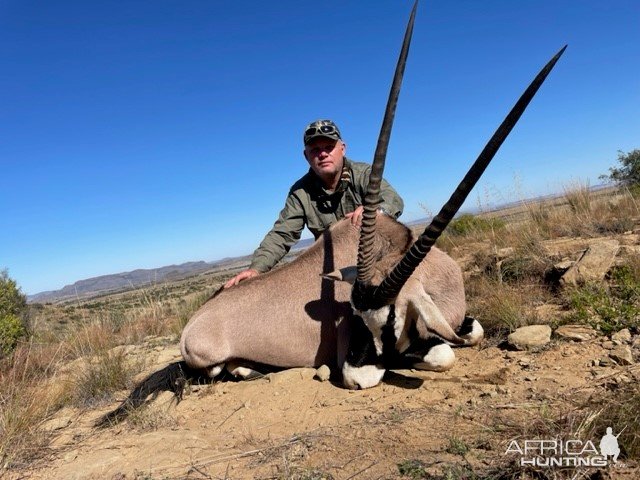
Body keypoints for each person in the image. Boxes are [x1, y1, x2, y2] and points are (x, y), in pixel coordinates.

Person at [224, 119, 404, 288]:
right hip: (335, 271)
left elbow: (392, 199)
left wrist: (377, 211)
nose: (323, 154)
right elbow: (282, 234)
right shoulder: (300, 192)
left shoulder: (364, 173)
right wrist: (256, 268)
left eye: (329, 147)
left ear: (342, 148)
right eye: (315, 150)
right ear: (306, 156)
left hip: (375, 263)